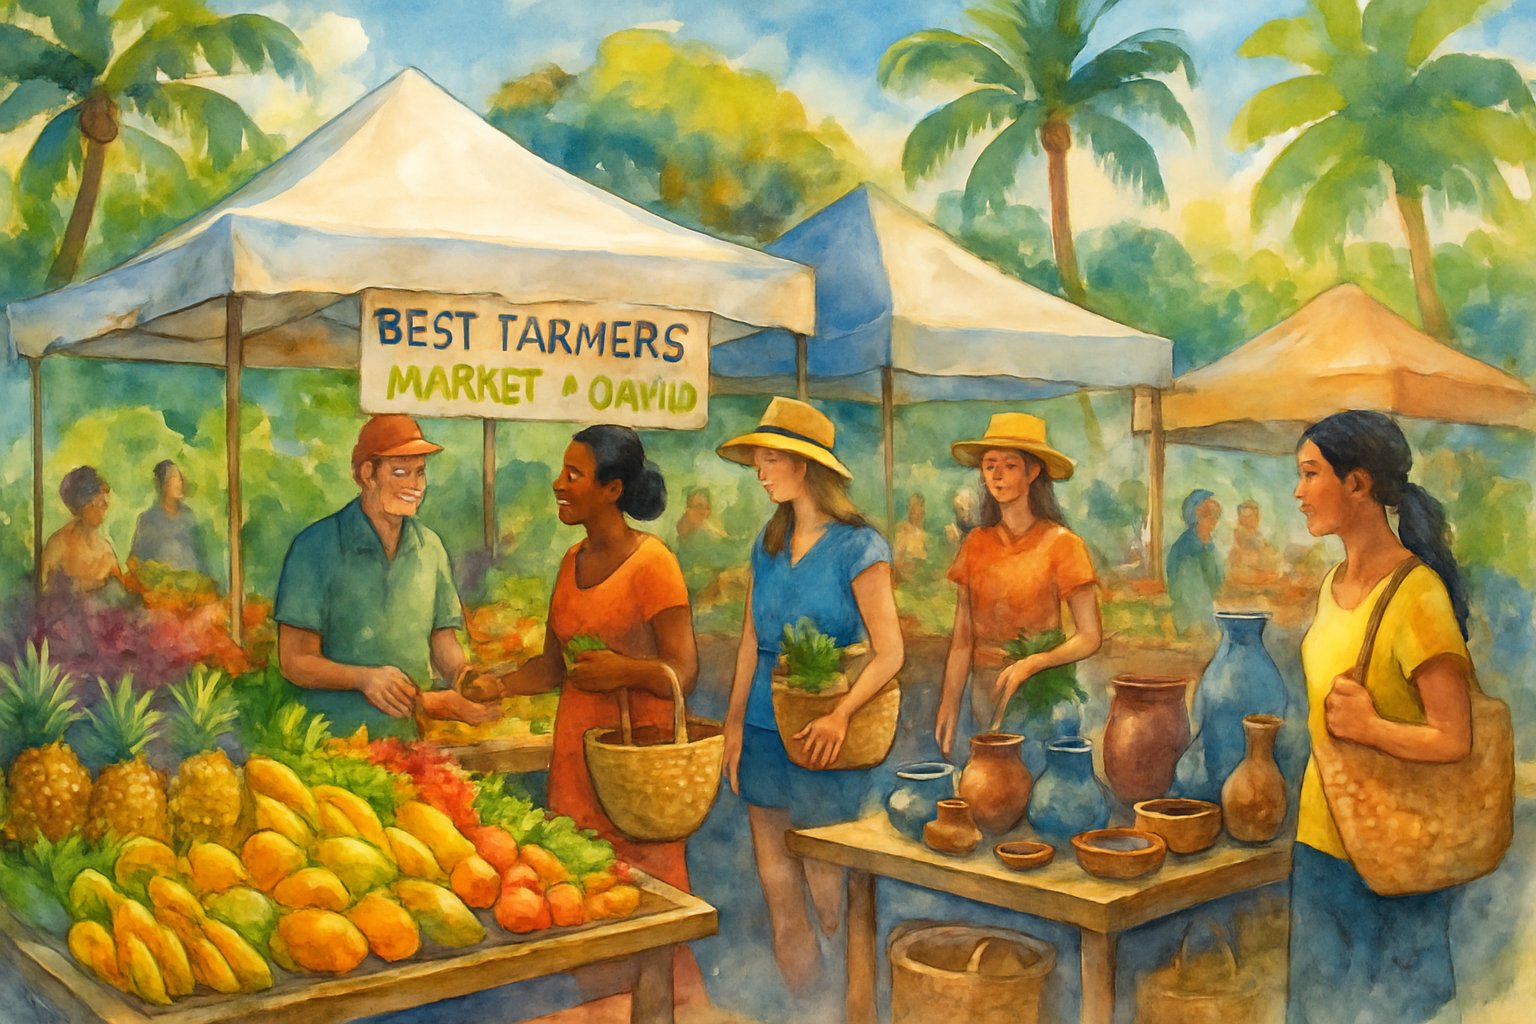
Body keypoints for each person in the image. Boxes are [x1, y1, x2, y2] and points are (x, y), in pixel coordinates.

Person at [460, 424, 705, 1003]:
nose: (559, 484)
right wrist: (498, 686)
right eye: (561, 472)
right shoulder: (571, 561)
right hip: (575, 767)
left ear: (613, 489)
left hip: (634, 773)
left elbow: (684, 670)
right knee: (580, 901)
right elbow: (552, 667)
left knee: (646, 911)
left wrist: (623, 671)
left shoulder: (654, 563)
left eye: (573, 475)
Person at [1288, 410, 1474, 1024]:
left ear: (1359, 484)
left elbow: (1454, 737)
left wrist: (1373, 729)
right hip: (1321, 843)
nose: (1298, 491)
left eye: (1311, 474)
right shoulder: (1332, 583)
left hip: (1396, 857)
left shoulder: (1418, 594)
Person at [716, 397, 904, 997]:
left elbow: (891, 651)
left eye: (772, 460)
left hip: (831, 740)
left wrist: (841, 713)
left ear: (806, 467)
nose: (761, 471)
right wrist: (734, 728)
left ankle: (847, 1002)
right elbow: (750, 643)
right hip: (767, 737)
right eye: (758, 462)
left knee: (830, 885)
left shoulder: (858, 546)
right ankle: (803, 1004)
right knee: (776, 883)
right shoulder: (767, 545)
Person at [275, 415, 499, 740]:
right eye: (400, 472)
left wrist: (464, 676)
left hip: (412, 739)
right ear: (367, 474)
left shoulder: (430, 548)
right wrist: (364, 678)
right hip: (335, 743)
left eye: (420, 472)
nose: (414, 485)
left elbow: (442, 640)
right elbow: (294, 660)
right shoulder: (314, 546)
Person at [933, 413, 1102, 755]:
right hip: (985, 692)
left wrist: (1033, 663)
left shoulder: (1062, 544)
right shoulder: (976, 544)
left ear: (1033, 472)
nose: (996, 475)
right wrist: (949, 703)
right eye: (989, 465)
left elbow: (1090, 636)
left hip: (1044, 694)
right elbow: (963, 640)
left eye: (1009, 465)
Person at [40, 466, 125, 596]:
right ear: (81, 504)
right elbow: (44, 593)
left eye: (105, 499)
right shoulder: (58, 545)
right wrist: (81, 587)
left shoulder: (106, 550)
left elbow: (121, 595)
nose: (105, 505)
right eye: (98, 501)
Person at [128, 460, 211, 578]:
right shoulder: (148, 519)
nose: (179, 483)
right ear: (162, 484)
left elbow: (201, 556)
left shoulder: (188, 516)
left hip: (192, 587)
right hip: (161, 590)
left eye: (180, 478)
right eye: (173, 478)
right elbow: (134, 560)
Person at [1166, 488, 1223, 636]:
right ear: (1196, 516)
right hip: (1189, 616)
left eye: (1216, 516)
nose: (1213, 521)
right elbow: (1186, 590)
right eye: (1208, 515)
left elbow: (1217, 579)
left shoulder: (1209, 545)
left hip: (1208, 611)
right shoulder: (1185, 547)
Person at [1227, 498, 1281, 590]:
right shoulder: (1240, 534)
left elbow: (1272, 555)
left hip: (1261, 576)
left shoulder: (1257, 535)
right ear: (1240, 518)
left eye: (1255, 516)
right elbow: (1243, 560)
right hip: (1246, 578)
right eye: (1247, 517)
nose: (1252, 519)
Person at [893, 492, 929, 581]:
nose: (912, 508)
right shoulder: (903, 530)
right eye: (909, 505)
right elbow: (897, 562)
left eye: (916, 505)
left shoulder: (926, 535)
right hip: (907, 581)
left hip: (923, 581)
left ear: (923, 508)